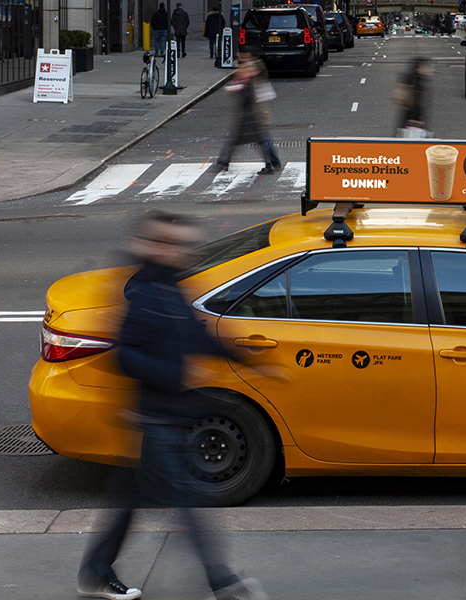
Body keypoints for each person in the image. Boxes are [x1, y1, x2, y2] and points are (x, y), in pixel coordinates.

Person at [77, 210, 269, 600]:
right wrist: (170, 375)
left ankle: (95, 572)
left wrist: (249, 358)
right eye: (167, 242)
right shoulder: (143, 292)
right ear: (147, 245)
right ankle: (224, 583)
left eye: (183, 244)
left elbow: (191, 338)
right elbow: (125, 355)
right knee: (185, 500)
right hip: (156, 415)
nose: (179, 251)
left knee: (129, 499)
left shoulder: (168, 287)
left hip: (166, 412)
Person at [216, 54, 282, 175]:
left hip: (252, 115)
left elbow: (249, 95)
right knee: (251, 139)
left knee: (258, 139)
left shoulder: (251, 76)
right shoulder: (249, 75)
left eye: (240, 64)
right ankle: (224, 161)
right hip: (249, 115)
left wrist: (237, 89)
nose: (238, 67)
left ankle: (270, 164)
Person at [393, 56, 434, 136]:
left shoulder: (419, 79)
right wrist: (412, 120)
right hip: (412, 126)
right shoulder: (413, 80)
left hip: (414, 125)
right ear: (419, 67)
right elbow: (400, 97)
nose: (432, 70)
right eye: (428, 67)